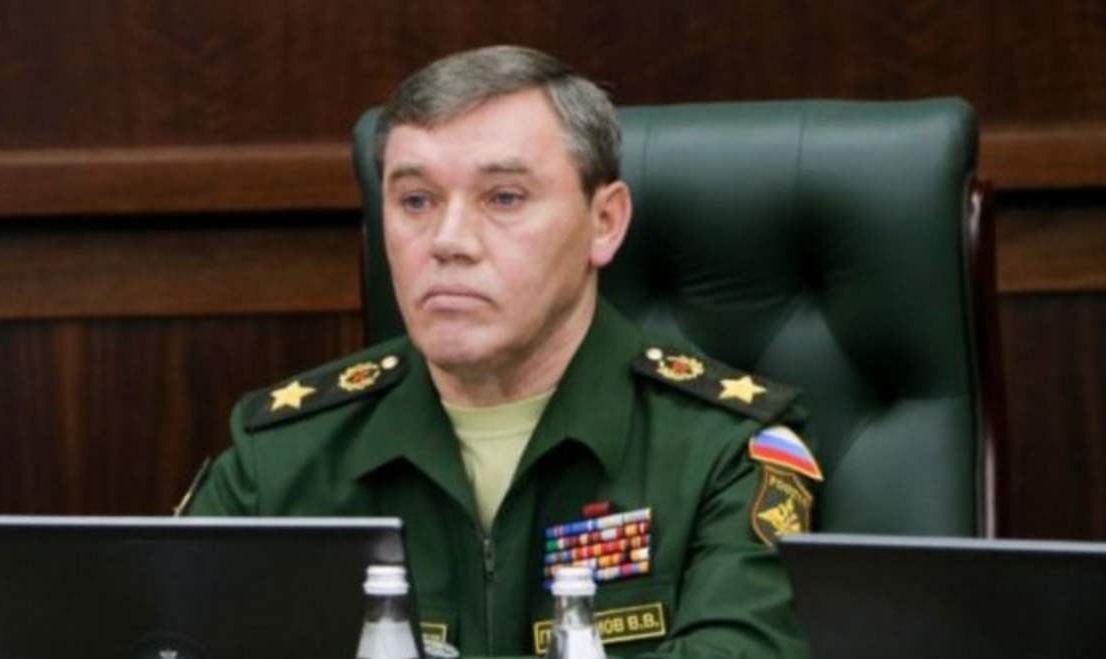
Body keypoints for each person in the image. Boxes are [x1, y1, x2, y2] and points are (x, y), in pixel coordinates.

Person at [185, 44, 822, 658]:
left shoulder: (724, 449)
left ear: (604, 222)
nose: (448, 241)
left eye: (504, 198)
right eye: (415, 201)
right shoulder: (282, 457)